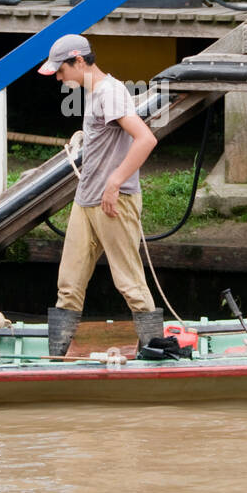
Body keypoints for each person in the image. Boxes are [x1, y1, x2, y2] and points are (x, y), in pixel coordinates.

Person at [38, 34, 160, 356]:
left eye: (61, 70)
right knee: (68, 285)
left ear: (79, 61)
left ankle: (156, 351)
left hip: (113, 202)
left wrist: (115, 181)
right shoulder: (93, 94)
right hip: (86, 200)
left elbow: (145, 139)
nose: (60, 78)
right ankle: (54, 359)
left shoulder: (111, 92)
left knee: (130, 283)